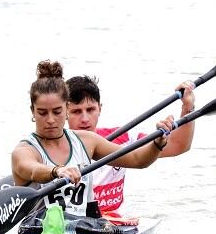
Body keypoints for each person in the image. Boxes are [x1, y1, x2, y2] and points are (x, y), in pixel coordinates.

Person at [11, 61, 176, 226]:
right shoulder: (25, 150)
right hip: (41, 232)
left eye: (57, 111)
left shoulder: (87, 141)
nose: (51, 120)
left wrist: (158, 142)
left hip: (85, 229)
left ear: (66, 109)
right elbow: (32, 170)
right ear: (32, 111)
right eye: (42, 113)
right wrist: (57, 171)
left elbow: (138, 160)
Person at [65, 73, 195, 219]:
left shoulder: (124, 138)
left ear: (99, 109)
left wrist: (187, 107)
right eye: (76, 111)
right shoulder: (51, 147)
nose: (85, 119)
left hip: (114, 221)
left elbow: (179, 145)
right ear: (64, 113)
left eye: (90, 110)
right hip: (75, 221)